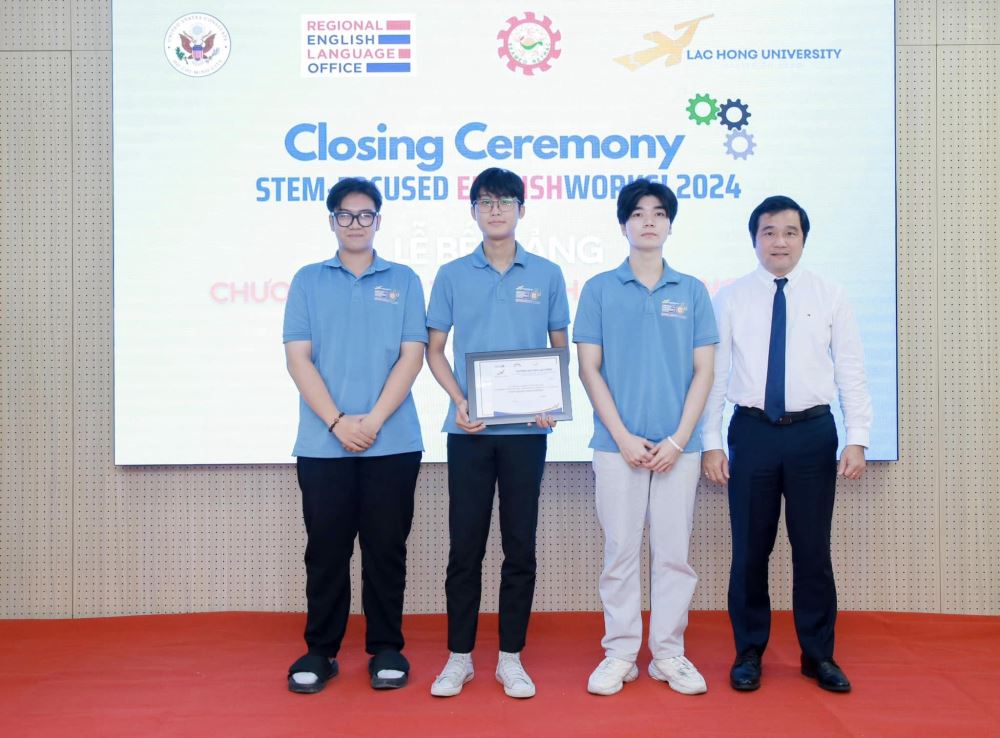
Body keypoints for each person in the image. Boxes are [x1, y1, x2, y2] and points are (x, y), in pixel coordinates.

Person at [701, 195, 872, 693]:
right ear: (754, 239)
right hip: (751, 432)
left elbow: (851, 369)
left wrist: (858, 437)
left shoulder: (831, 294)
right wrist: (711, 441)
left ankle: (819, 655)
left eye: (790, 232)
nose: (779, 241)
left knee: (813, 549)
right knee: (749, 550)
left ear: (804, 239)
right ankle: (748, 652)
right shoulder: (731, 298)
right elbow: (715, 375)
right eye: (769, 232)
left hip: (812, 434)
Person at [425, 167, 570, 699]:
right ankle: (459, 657)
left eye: (505, 201)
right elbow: (434, 351)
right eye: (485, 202)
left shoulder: (547, 274)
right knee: (464, 547)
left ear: (521, 210)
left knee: (519, 546)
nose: (495, 210)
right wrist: (459, 399)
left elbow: (560, 348)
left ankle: (511, 657)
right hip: (469, 430)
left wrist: (551, 401)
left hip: (527, 434)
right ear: (473, 212)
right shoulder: (451, 274)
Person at [282, 178, 427, 694]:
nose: (356, 223)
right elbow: (298, 357)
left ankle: (386, 647)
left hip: (393, 440)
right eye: (345, 215)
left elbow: (412, 355)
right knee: (326, 550)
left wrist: (374, 420)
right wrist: (338, 421)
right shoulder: (308, 280)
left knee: (386, 548)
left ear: (378, 221)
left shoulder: (405, 279)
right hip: (324, 443)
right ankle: (320, 650)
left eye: (365, 215)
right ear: (332, 221)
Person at [574, 179, 717, 696]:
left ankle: (668, 654)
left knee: (674, 554)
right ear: (623, 225)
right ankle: (619, 653)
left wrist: (678, 440)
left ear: (670, 224)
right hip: (617, 447)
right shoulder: (599, 289)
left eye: (658, 213)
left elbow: (704, 371)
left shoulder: (692, 290)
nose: (649, 221)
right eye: (638, 213)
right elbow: (589, 368)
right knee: (620, 552)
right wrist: (623, 436)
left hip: (679, 448)